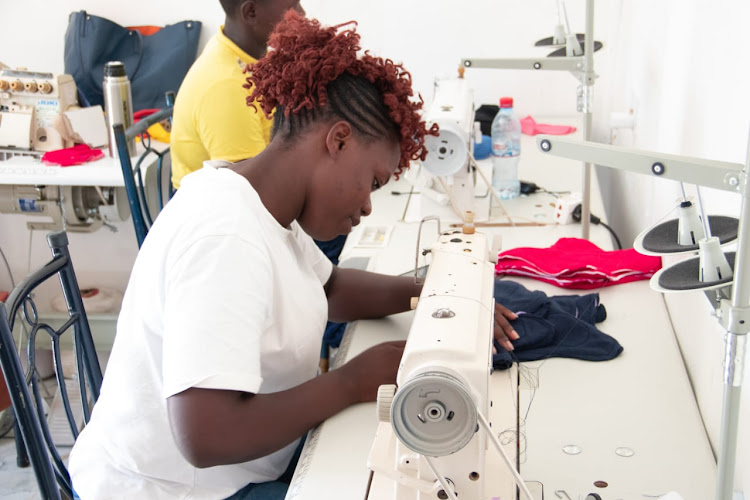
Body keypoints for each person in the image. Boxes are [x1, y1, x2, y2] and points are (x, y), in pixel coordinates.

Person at [69, 12, 519, 500]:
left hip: (237, 469)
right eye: (372, 182)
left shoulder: (261, 204)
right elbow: (206, 435)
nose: (369, 205)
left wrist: (430, 290)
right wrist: (352, 381)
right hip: (178, 489)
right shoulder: (226, 235)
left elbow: (329, 287)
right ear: (338, 140)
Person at [169, 0, 304, 190]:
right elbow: (251, 190)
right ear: (250, 12)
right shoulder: (227, 85)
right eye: (293, 6)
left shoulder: (239, 52)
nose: (302, 14)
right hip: (217, 206)